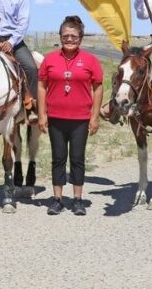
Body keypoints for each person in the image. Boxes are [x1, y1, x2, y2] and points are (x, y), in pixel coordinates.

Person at [36, 16, 103, 216]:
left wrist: (94, 116)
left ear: (80, 38)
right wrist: (41, 114)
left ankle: (77, 199)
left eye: (74, 36)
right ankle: (57, 199)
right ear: (60, 37)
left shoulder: (90, 60)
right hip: (55, 117)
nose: (69, 39)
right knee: (58, 158)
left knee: (77, 158)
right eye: (66, 35)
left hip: (80, 118)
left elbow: (98, 88)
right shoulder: (50, 59)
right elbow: (41, 86)